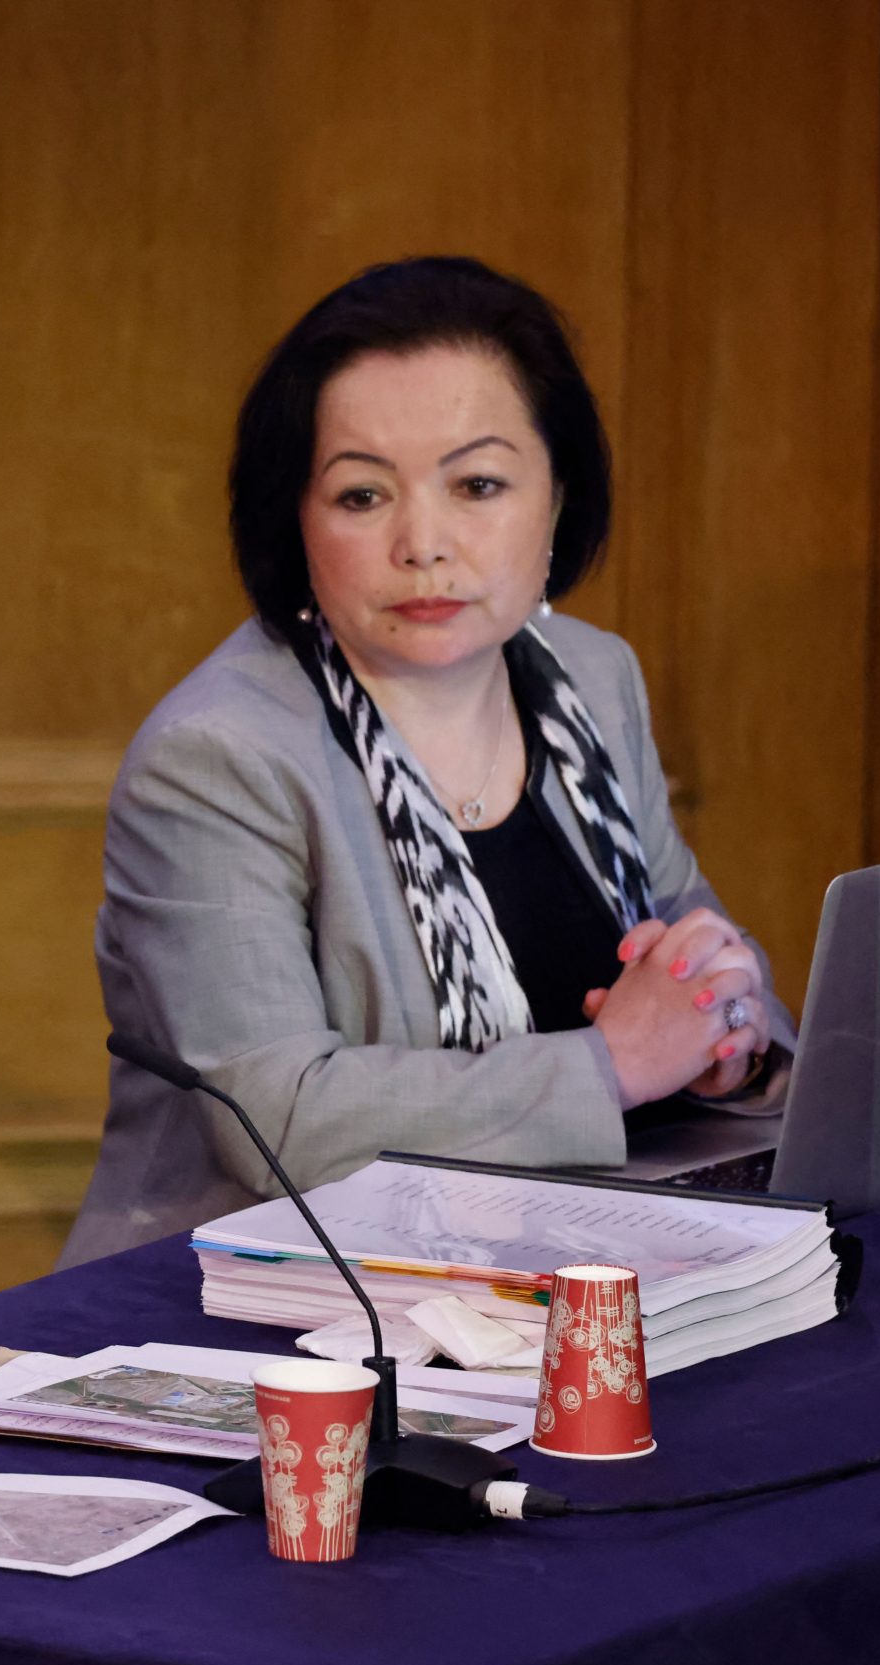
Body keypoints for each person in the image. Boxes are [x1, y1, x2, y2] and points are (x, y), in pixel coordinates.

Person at [64, 256, 790, 1266]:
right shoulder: (216, 758)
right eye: (362, 496)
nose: (423, 541)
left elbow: (686, 959)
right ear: (294, 520)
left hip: (566, 1262)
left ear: (556, 498)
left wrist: (725, 1033)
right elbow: (279, 1123)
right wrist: (611, 1065)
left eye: (478, 484)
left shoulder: (590, 679)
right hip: (264, 1302)